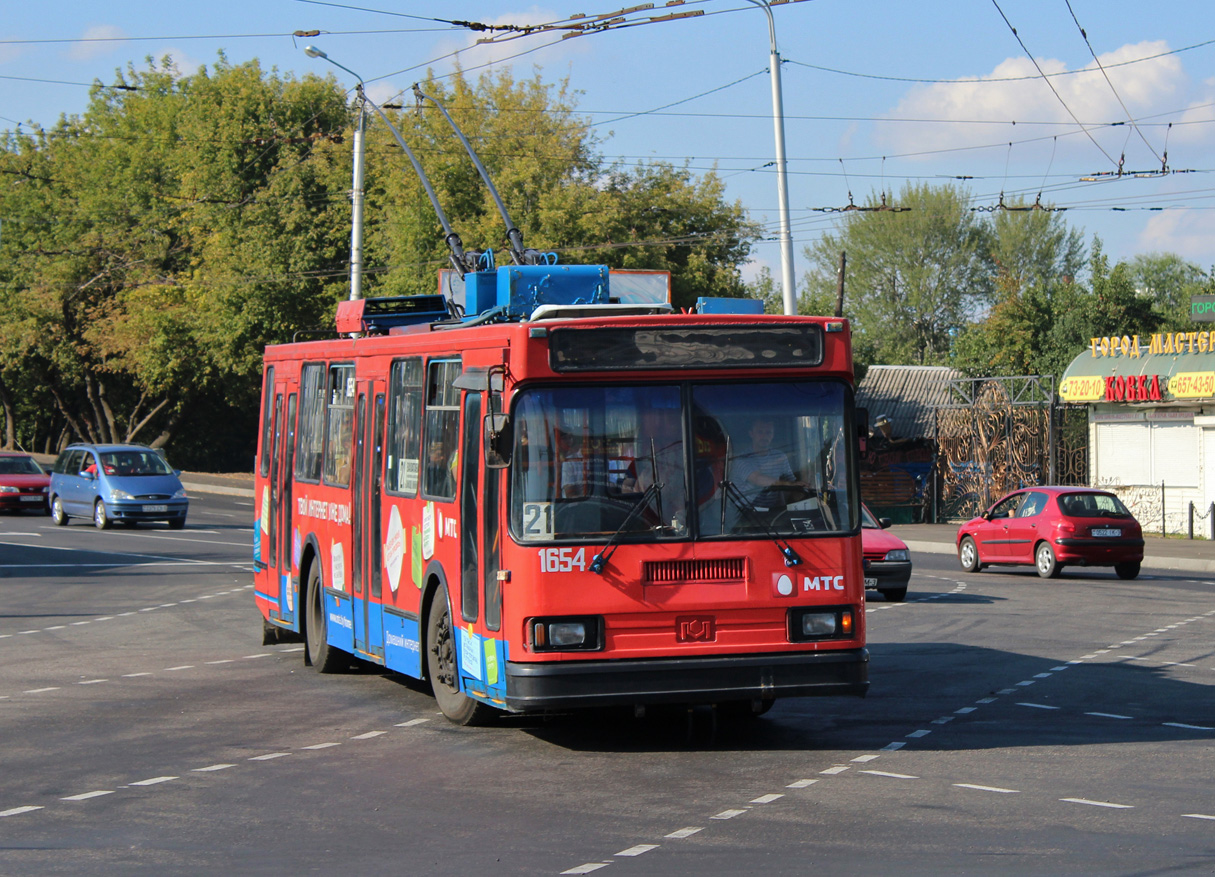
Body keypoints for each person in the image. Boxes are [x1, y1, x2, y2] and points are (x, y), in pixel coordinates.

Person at [731, 417, 813, 510]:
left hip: (772, 512)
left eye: (768, 432)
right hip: (744, 513)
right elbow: (758, 479)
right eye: (760, 432)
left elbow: (791, 482)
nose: (764, 436)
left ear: (773, 435)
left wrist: (806, 487)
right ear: (751, 434)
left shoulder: (779, 456)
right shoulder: (742, 459)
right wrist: (790, 485)